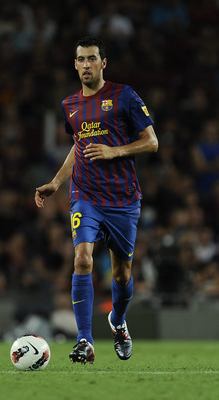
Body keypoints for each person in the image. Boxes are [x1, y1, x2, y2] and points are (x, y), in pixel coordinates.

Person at [35, 36, 158, 364]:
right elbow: (79, 146)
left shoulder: (124, 96)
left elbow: (151, 142)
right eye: (81, 59)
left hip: (123, 200)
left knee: (121, 275)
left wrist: (115, 150)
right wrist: (56, 182)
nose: (86, 64)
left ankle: (117, 321)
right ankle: (85, 342)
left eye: (92, 58)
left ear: (103, 63)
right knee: (83, 260)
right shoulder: (70, 104)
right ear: (75, 64)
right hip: (85, 196)